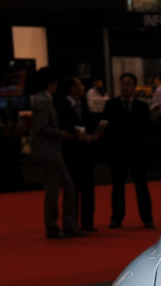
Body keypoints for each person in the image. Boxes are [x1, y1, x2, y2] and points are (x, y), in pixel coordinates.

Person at [30, 66, 80, 238]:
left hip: (50, 151)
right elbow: (41, 127)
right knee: (55, 190)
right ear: (51, 83)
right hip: (49, 151)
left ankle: (65, 225)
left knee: (66, 188)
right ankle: (54, 226)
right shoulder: (44, 101)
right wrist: (61, 134)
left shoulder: (42, 100)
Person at [103, 73, 154, 229]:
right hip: (118, 152)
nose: (125, 87)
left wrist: (144, 150)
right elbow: (107, 130)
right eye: (123, 84)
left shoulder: (142, 106)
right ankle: (116, 218)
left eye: (128, 84)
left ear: (134, 87)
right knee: (118, 186)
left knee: (141, 185)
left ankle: (147, 218)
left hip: (137, 152)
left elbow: (147, 130)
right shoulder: (111, 105)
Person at [55, 76, 100, 232]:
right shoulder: (61, 106)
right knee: (72, 189)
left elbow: (88, 125)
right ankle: (71, 223)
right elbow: (60, 125)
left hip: (86, 152)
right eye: (80, 85)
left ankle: (87, 222)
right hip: (71, 152)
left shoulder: (84, 105)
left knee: (88, 188)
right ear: (72, 88)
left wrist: (92, 134)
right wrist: (75, 131)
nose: (83, 87)